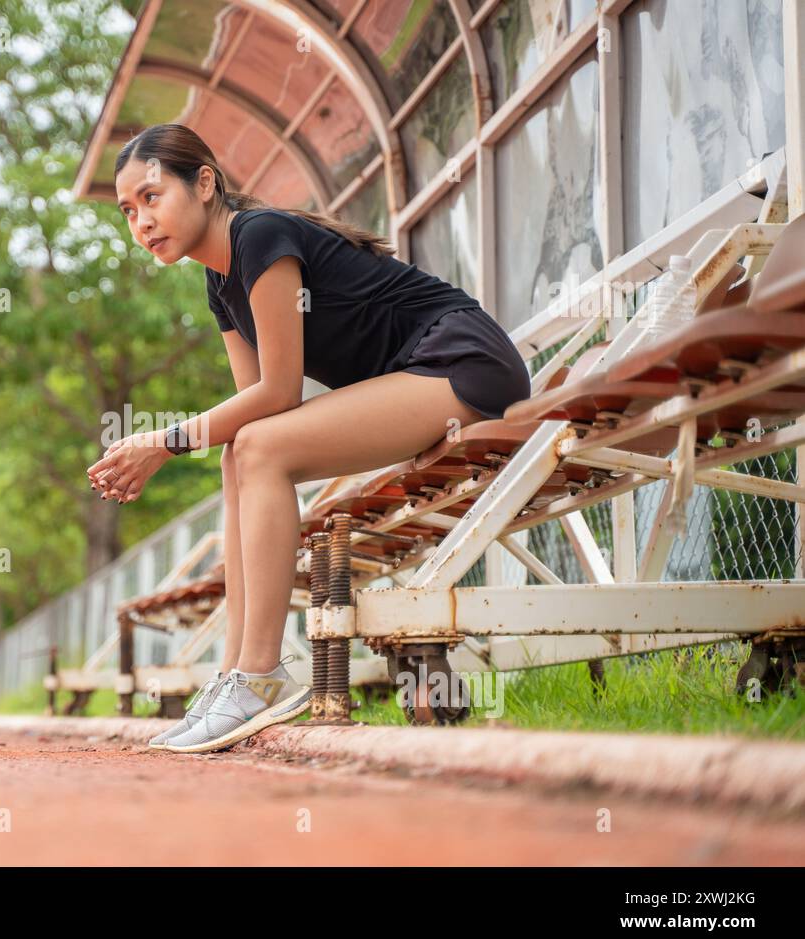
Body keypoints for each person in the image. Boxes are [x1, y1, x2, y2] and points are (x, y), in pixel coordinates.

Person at [87, 124, 531, 754]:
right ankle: (236, 674)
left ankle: (261, 675)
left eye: (153, 197)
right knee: (242, 453)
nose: (142, 222)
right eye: (129, 211)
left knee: (261, 448)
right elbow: (253, 414)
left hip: (460, 363)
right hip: (417, 380)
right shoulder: (219, 283)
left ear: (205, 182)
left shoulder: (259, 236)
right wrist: (177, 442)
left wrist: (162, 441)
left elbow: (279, 392)